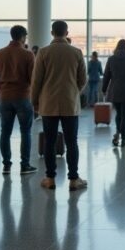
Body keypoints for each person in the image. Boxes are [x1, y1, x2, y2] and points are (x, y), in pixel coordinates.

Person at [31, 20, 88, 191]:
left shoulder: (43, 52)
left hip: (48, 103)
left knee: (49, 141)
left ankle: (50, 178)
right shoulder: (76, 52)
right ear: (67, 32)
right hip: (70, 103)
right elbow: (82, 79)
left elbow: (36, 80)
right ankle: (73, 178)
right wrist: (73, 91)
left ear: (52, 32)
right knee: (72, 142)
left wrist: (35, 100)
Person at [0, 25, 37, 175]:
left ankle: (6, 165)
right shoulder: (28, 55)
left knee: (5, 132)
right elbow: (32, 78)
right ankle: (25, 165)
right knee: (25, 132)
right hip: (23, 96)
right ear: (22, 37)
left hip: (5, 97)